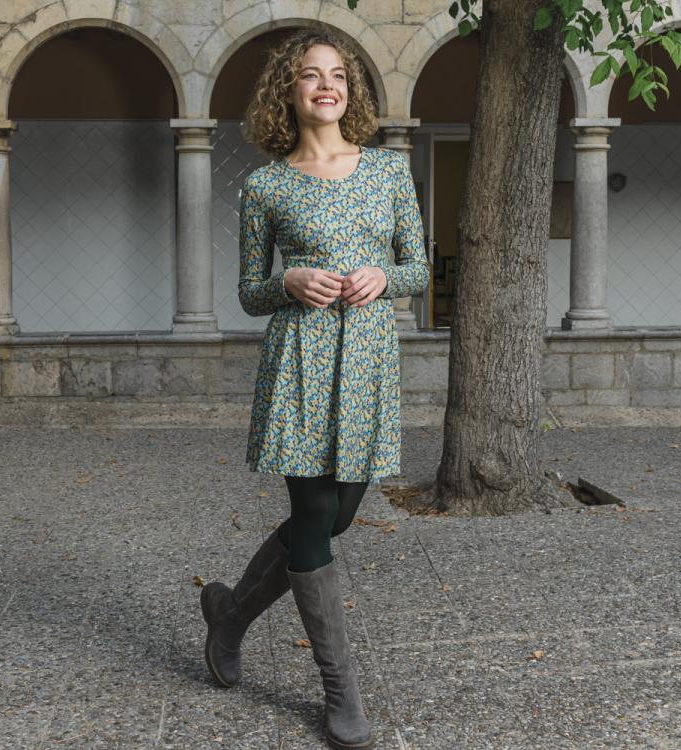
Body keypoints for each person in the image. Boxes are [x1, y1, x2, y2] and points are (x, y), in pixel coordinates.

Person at [200, 25, 430, 750]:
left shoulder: (389, 170)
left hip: (366, 360)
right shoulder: (265, 185)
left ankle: (231, 614)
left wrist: (385, 275)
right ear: (288, 91)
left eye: (338, 75)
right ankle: (340, 692)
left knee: (337, 516)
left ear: (350, 91)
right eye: (310, 74)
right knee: (310, 511)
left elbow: (419, 268)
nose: (327, 85)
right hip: (300, 357)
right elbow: (249, 292)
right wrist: (288, 281)